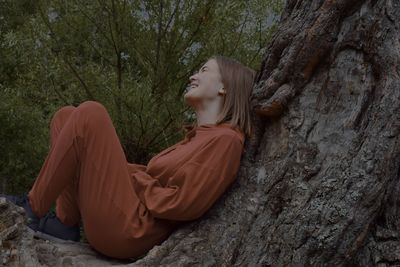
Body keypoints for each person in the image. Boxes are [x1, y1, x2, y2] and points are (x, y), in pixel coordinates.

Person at [0, 55, 256, 260]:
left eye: (203, 70)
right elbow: (148, 178)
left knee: (91, 113)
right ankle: (64, 224)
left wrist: (134, 178)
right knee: (65, 117)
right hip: (124, 213)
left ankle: (31, 209)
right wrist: (128, 173)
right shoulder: (198, 137)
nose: (193, 75)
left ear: (224, 86)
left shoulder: (226, 141)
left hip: (131, 230)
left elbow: (184, 203)